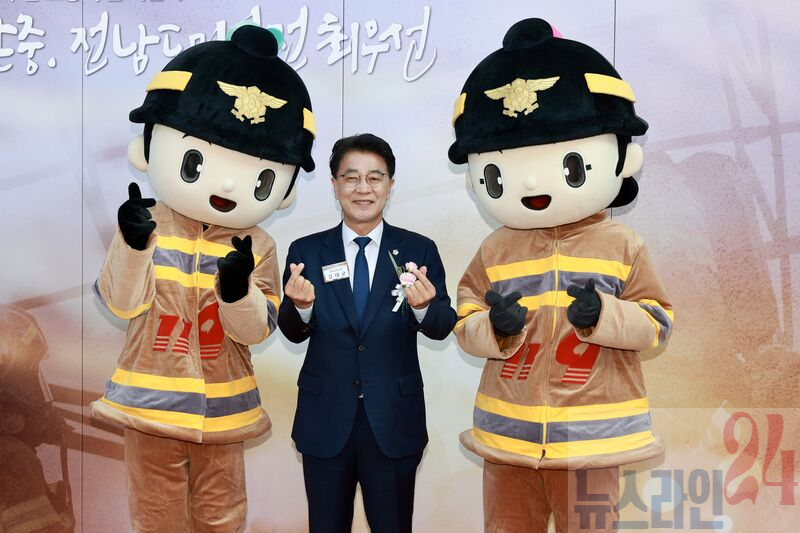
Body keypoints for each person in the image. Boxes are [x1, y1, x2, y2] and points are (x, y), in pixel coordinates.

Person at [448, 19, 673, 532]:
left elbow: (658, 323)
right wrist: (493, 328)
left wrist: (605, 316)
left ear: (623, 158)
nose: (532, 182)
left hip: (591, 443)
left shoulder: (623, 244)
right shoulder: (495, 248)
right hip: (507, 439)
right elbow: (464, 319)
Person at [90, 23, 316, 532]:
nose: (229, 184)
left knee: (222, 517)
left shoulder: (259, 244)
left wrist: (236, 292)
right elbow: (121, 304)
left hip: (223, 407)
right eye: (195, 160)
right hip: (150, 405)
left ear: (283, 191)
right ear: (149, 149)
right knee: (157, 520)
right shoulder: (144, 221)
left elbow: (255, 331)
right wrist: (132, 246)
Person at [278, 133, 457, 533]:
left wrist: (423, 307)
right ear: (335, 185)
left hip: (393, 420)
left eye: (375, 178)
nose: (363, 188)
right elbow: (291, 331)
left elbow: (443, 325)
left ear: (390, 185)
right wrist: (302, 307)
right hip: (325, 420)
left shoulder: (418, 250)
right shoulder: (306, 251)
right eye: (351, 177)